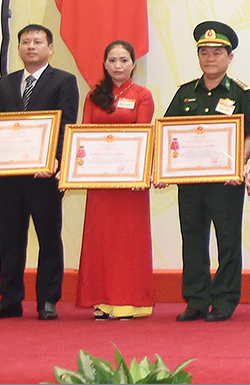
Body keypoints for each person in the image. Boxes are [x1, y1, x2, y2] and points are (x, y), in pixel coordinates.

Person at [0, 24, 79, 321]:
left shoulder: (64, 81)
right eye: (26, 42)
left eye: (38, 42)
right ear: (18, 48)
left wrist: (56, 160)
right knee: (10, 239)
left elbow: (66, 124)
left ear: (50, 48)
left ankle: (47, 300)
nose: (31, 46)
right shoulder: (6, 83)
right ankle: (9, 300)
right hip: (10, 177)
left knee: (48, 238)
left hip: (44, 176)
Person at [163, 21, 250, 322]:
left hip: (225, 183)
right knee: (192, 239)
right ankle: (197, 299)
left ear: (230, 57)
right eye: (204, 52)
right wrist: (163, 168)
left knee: (228, 241)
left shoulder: (240, 93)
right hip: (190, 182)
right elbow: (168, 134)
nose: (210, 58)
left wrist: (238, 164)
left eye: (217, 52)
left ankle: (225, 299)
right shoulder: (185, 94)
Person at [75, 40, 156, 319]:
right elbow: (83, 134)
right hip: (100, 181)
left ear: (133, 64)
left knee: (128, 241)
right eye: (112, 60)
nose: (118, 66)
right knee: (100, 240)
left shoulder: (143, 95)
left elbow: (144, 134)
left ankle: (129, 302)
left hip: (130, 182)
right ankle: (102, 301)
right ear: (105, 64)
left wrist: (140, 171)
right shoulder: (93, 96)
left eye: (124, 60)